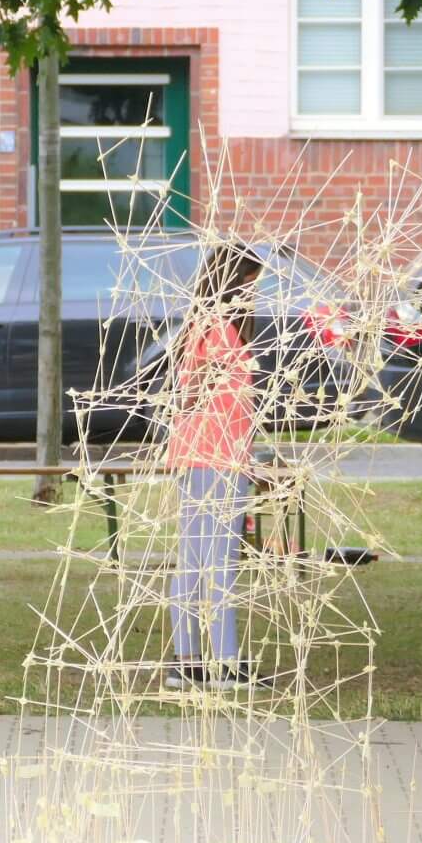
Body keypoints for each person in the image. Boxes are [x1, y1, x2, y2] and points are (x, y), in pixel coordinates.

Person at [164, 239, 266, 690]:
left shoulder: (204, 325)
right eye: (251, 283)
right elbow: (198, 393)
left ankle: (186, 663)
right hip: (216, 457)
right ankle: (225, 664)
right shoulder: (220, 329)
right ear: (235, 283)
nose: (256, 294)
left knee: (196, 560)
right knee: (218, 561)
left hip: (208, 454)